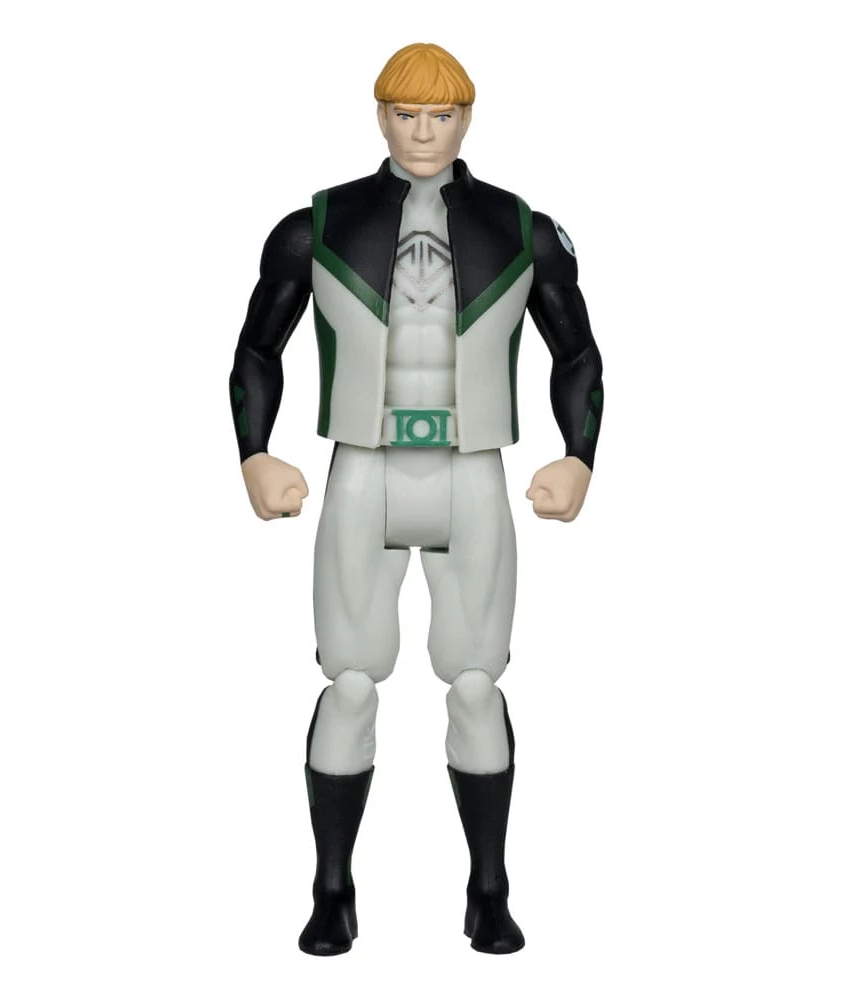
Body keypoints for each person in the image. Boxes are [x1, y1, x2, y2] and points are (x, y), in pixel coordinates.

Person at [229, 42, 603, 955]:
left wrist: (579, 456)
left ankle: (489, 888)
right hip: (364, 463)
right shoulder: (315, 228)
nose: (424, 132)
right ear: (381, 116)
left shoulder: (521, 229)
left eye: (441, 115)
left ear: (466, 118)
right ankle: (331, 888)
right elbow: (256, 349)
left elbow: (578, 353)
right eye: (406, 114)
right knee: (350, 683)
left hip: (473, 468)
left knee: (476, 684)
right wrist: (255, 454)